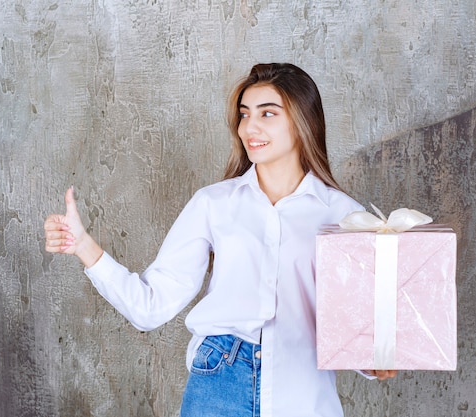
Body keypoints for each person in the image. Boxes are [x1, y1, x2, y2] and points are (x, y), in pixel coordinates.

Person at [44, 63, 397, 417]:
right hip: (219, 381)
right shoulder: (213, 204)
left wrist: (374, 360)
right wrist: (83, 246)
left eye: (267, 113)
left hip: (303, 389)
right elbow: (150, 307)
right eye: (245, 115)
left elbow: (356, 318)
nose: (250, 128)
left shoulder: (345, 216)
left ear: (303, 121)